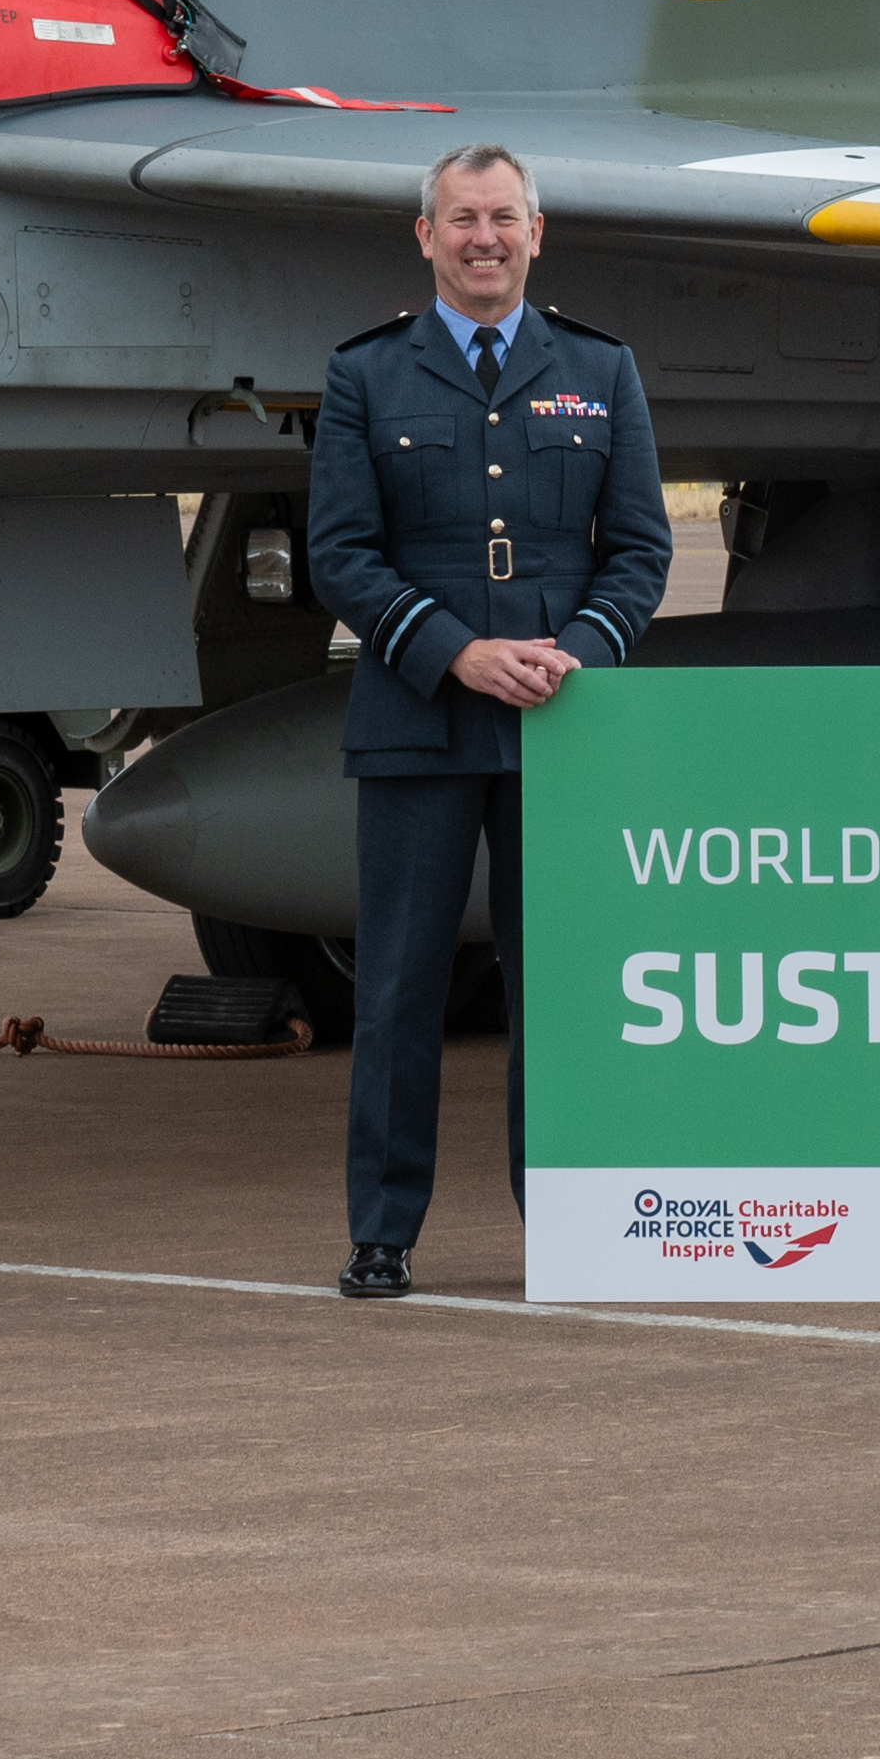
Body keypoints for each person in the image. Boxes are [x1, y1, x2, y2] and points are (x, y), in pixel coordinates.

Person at [307, 144, 669, 1299]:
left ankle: (561, 1229)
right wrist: (456, 651)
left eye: (503, 217)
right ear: (427, 236)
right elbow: (341, 556)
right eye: (461, 219)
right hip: (416, 722)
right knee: (398, 990)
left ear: (536, 231)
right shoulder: (368, 375)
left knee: (554, 994)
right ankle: (382, 1232)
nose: (484, 239)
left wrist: (580, 651)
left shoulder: (600, 370)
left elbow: (641, 551)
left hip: (557, 727)